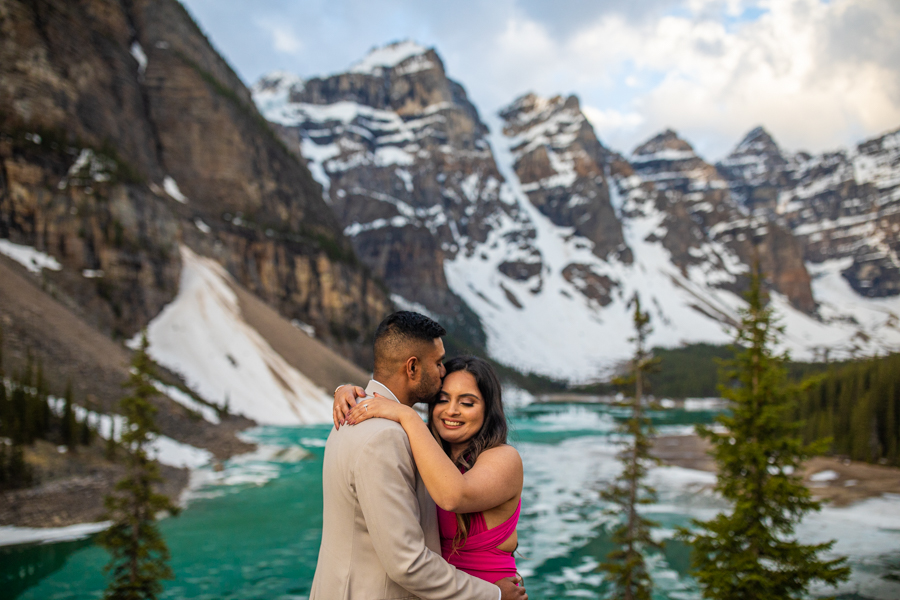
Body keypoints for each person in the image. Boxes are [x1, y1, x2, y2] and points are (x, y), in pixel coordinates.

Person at [310, 311, 526, 600]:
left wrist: (394, 410)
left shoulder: (361, 416)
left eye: (467, 402)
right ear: (412, 368)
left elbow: (454, 495)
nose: (441, 372)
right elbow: (406, 563)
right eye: (437, 363)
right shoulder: (386, 436)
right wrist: (494, 596)